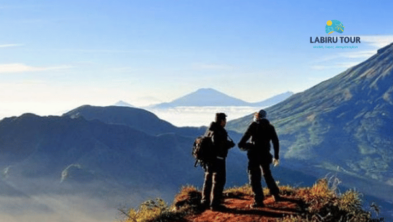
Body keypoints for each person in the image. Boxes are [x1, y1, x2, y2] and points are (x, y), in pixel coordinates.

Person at [238, 109, 280, 208]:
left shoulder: (253, 126)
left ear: (257, 116)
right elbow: (275, 142)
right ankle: (275, 194)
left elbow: (241, 143)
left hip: (254, 156)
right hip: (265, 155)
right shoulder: (270, 127)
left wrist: (249, 146)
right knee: (267, 174)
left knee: (254, 177)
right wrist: (276, 156)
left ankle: (259, 200)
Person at [200, 113, 235, 211]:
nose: (225, 122)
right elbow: (218, 145)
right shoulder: (219, 131)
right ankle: (215, 204)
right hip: (218, 159)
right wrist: (229, 145)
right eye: (225, 120)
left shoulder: (210, 130)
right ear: (222, 121)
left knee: (208, 180)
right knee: (218, 181)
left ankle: (204, 201)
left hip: (208, 160)